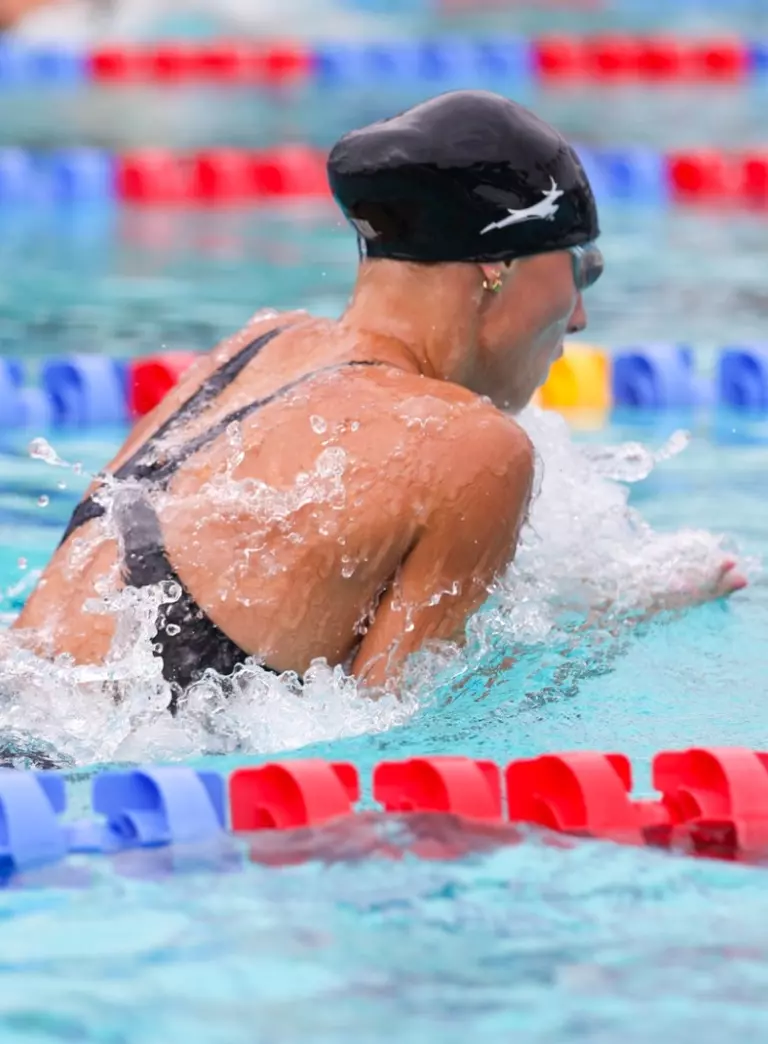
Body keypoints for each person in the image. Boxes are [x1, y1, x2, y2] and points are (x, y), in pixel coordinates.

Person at [11, 90, 745, 711]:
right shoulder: (474, 447)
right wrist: (625, 621)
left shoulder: (260, 345)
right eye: (581, 269)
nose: (579, 316)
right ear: (497, 264)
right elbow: (400, 726)